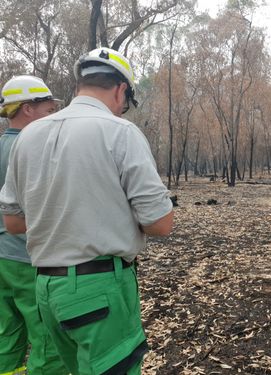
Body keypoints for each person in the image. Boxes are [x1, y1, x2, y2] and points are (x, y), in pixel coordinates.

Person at [0, 48, 174, 375]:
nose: (123, 109)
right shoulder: (120, 132)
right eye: (126, 101)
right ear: (121, 89)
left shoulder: (28, 137)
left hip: (47, 289)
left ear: (80, 84)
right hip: (100, 288)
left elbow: (12, 222)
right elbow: (161, 223)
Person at [0, 75, 68, 375]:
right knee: (48, 339)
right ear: (27, 108)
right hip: (27, 259)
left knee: (7, 334)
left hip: (2, 261)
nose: (51, 116)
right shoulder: (35, 149)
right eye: (47, 109)